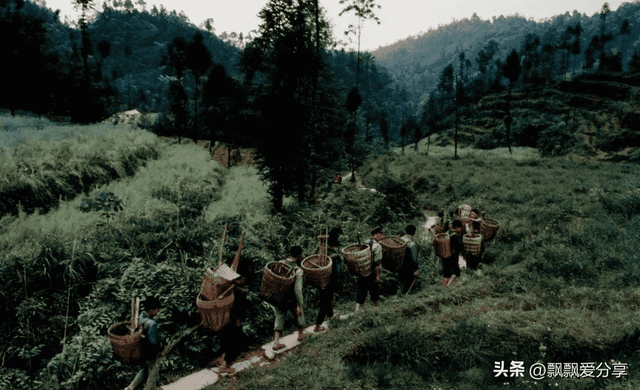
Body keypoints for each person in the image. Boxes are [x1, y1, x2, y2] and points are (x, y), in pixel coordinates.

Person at [273, 246, 306, 350]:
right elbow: (298, 289)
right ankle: (300, 335)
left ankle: (276, 342)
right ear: (299, 255)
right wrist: (299, 303)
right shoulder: (298, 270)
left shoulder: (281, 263)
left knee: (279, 315)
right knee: (298, 312)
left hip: (280, 296)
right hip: (291, 297)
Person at [124, 297, 162, 390]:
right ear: (152, 310)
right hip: (151, 351)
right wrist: (160, 346)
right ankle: (151, 388)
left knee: (145, 369)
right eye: (157, 309)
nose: (158, 312)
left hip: (141, 349)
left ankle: (130, 387)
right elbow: (153, 342)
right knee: (153, 371)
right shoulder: (151, 323)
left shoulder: (140, 317)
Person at [217, 276, 248, 374]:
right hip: (232, 321)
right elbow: (238, 310)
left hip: (223, 321)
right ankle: (225, 365)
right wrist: (238, 322)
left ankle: (222, 359)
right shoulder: (238, 293)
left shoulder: (226, 290)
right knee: (233, 342)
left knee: (226, 341)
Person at [315, 228, 343, 332]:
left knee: (326, 300)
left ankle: (331, 317)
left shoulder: (320, 253)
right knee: (325, 302)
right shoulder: (335, 256)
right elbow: (338, 273)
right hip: (330, 282)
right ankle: (318, 325)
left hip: (319, 280)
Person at [355, 227, 383, 312]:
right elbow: (376, 263)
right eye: (381, 234)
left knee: (361, 289)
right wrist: (378, 275)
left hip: (363, 270)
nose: (382, 235)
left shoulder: (366, 243)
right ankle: (376, 308)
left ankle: (357, 309)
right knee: (374, 290)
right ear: (375, 235)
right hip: (372, 271)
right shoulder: (377, 246)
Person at [398, 225, 420, 295]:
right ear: (414, 233)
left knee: (401, 283)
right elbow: (414, 259)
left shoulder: (399, 240)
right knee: (407, 286)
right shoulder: (411, 244)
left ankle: (399, 298)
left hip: (399, 266)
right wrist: (415, 270)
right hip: (408, 268)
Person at [442, 221, 463, 288]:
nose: (460, 230)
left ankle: (444, 287)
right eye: (460, 228)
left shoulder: (447, 233)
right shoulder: (456, 236)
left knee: (446, 273)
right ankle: (449, 286)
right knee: (455, 272)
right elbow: (460, 246)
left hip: (445, 256)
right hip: (453, 257)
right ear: (457, 227)